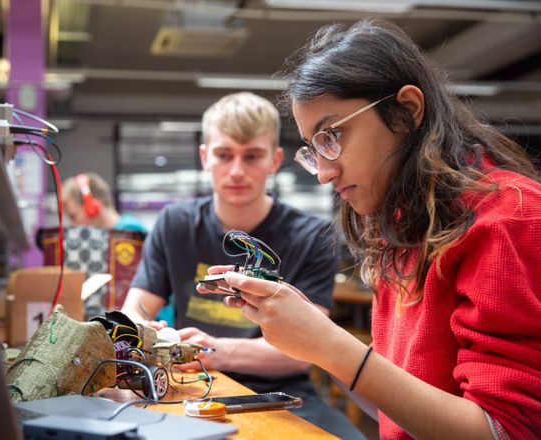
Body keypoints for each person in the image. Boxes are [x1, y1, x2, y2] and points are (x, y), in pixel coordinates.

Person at [203, 19, 541, 440]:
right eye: (314, 149)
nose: (324, 174)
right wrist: (313, 338)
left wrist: (330, 345)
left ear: (405, 111)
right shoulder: (401, 224)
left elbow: (503, 431)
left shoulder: (511, 217)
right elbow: (401, 410)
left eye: (332, 136)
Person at [121, 92, 364, 438]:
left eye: (251, 156)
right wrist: (145, 333)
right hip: (188, 384)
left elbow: (305, 352)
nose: (237, 170)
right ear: (205, 157)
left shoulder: (312, 235)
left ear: (275, 160)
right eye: (224, 155)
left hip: (281, 394)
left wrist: (214, 351)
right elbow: (135, 310)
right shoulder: (174, 223)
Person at [62, 172, 147, 233]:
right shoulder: (106, 237)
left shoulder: (131, 232)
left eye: (73, 216)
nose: (72, 224)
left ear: (92, 208)